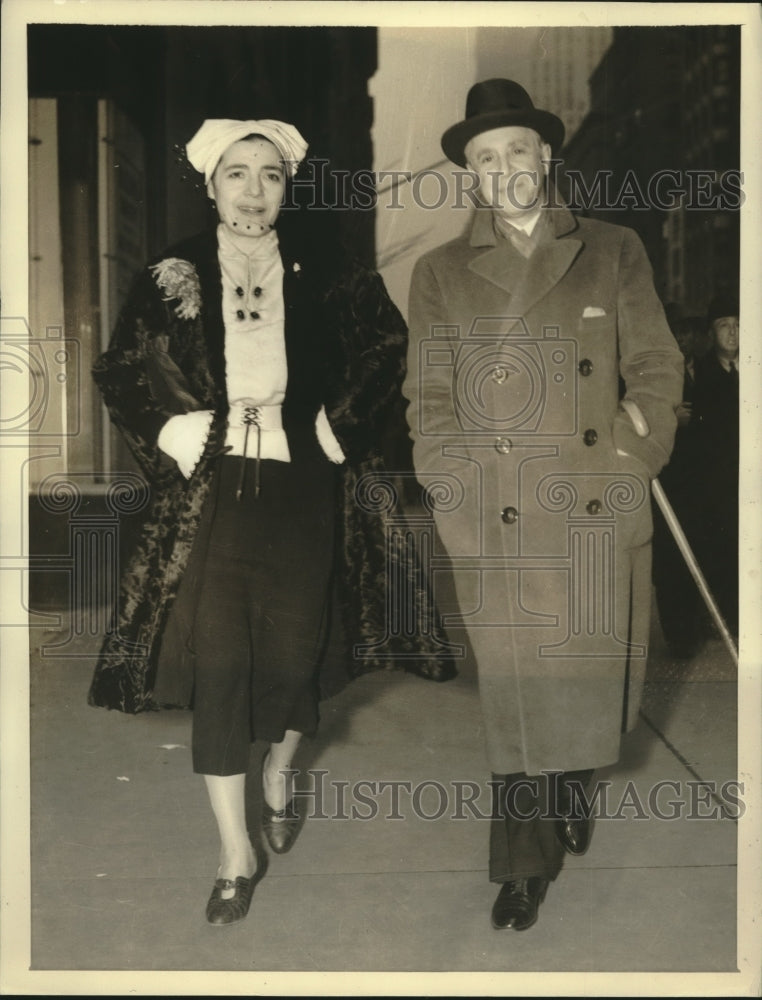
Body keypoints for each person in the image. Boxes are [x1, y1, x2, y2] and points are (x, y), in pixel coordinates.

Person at [88, 118, 455, 925]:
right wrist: (172, 430)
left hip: (304, 483)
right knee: (222, 661)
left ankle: (282, 771)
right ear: (211, 184)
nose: (253, 192)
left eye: (270, 176)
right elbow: (121, 368)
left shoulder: (327, 265)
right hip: (214, 487)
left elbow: (387, 346)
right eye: (236, 175)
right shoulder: (168, 270)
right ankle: (233, 851)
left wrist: (336, 427)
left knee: (296, 655)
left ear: (287, 186)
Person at [403, 79, 683, 931]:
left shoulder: (613, 247)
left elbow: (660, 369)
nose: (503, 169)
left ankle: (572, 779)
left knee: (586, 682)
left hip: (595, 502)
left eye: (516, 149)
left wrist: (636, 451)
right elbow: (430, 399)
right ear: (473, 178)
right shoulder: (440, 272)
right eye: (484, 159)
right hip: (501, 516)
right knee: (518, 698)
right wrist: (455, 490)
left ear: (546, 156)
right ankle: (521, 865)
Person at [651, 314, 705, 657]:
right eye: (675, 334)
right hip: (669, 478)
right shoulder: (654, 375)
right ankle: (678, 633)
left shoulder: (705, 370)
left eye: (686, 334)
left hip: (698, 480)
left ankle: (695, 623)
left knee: (698, 549)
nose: (681, 340)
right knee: (669, 557)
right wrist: (674, 420)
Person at [692, 291, 740, 640]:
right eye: (725, 325)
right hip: (714, 480)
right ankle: (722, 616)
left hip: (747, 477)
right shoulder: (699, 373)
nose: (733, 333)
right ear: (712, 332)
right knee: (719, 547)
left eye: (739, 325)